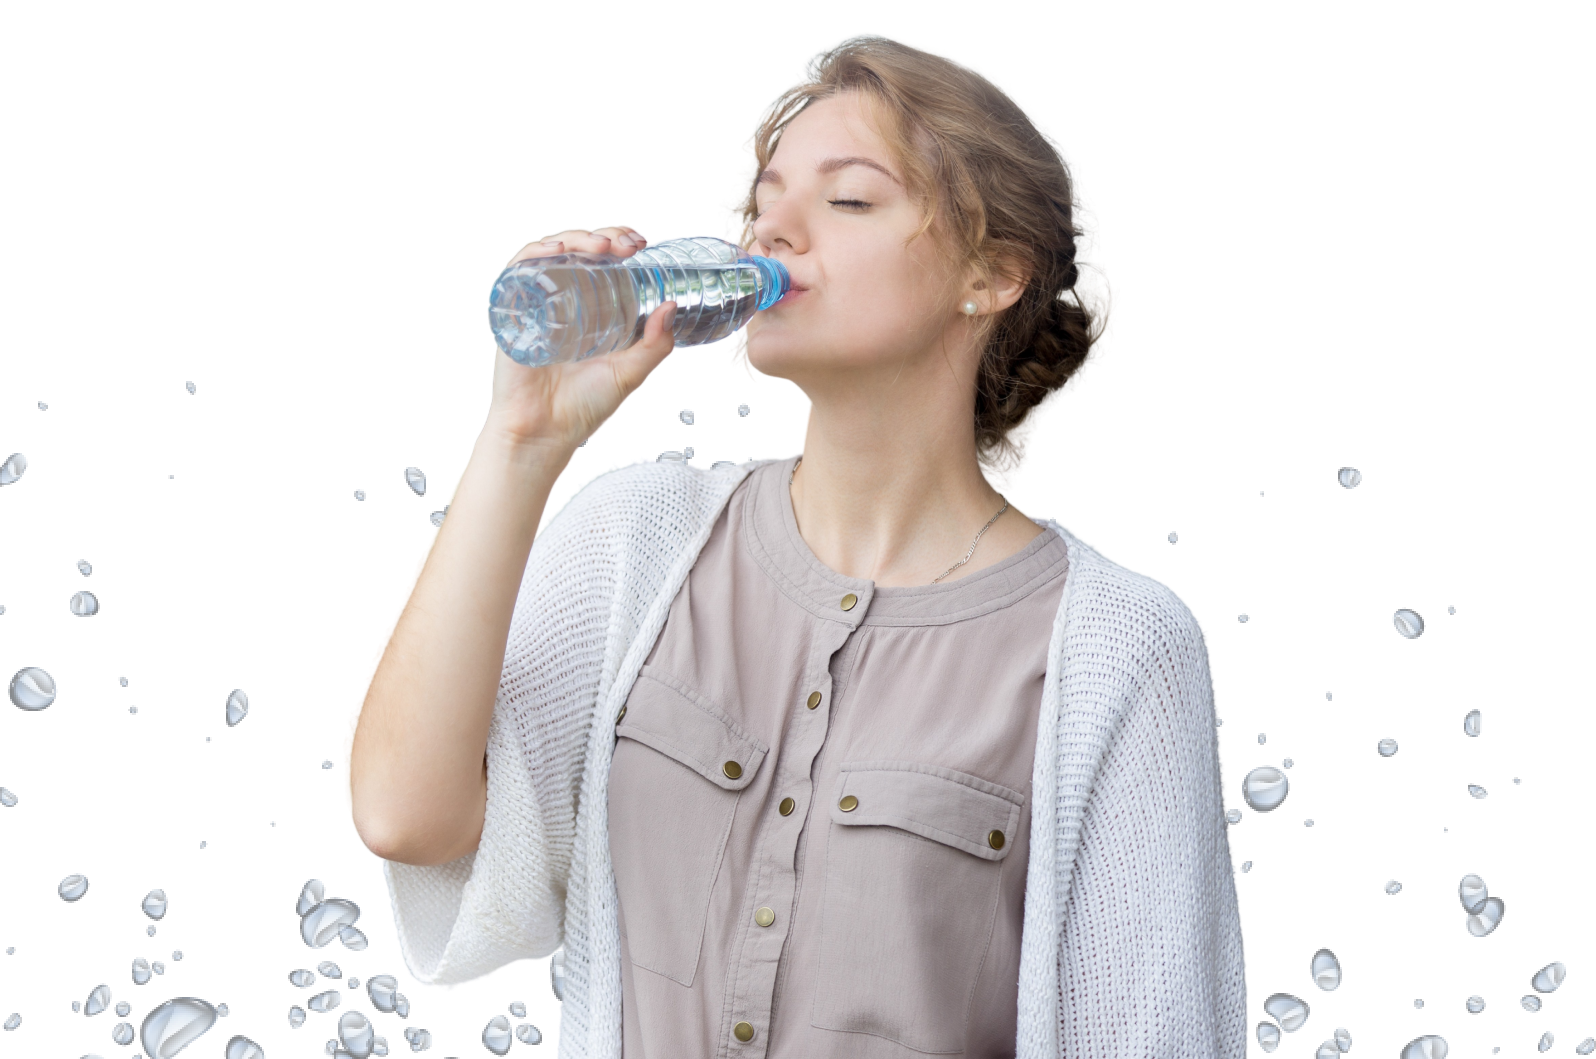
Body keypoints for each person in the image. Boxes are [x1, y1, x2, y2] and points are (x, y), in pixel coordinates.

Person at [337, 32, 1245, 1059]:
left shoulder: (1121, 646)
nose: (773, 227)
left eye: (848, 199)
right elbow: (405, 818)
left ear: (991, 275)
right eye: (763, 202)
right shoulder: (635, 537)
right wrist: (523, 440)